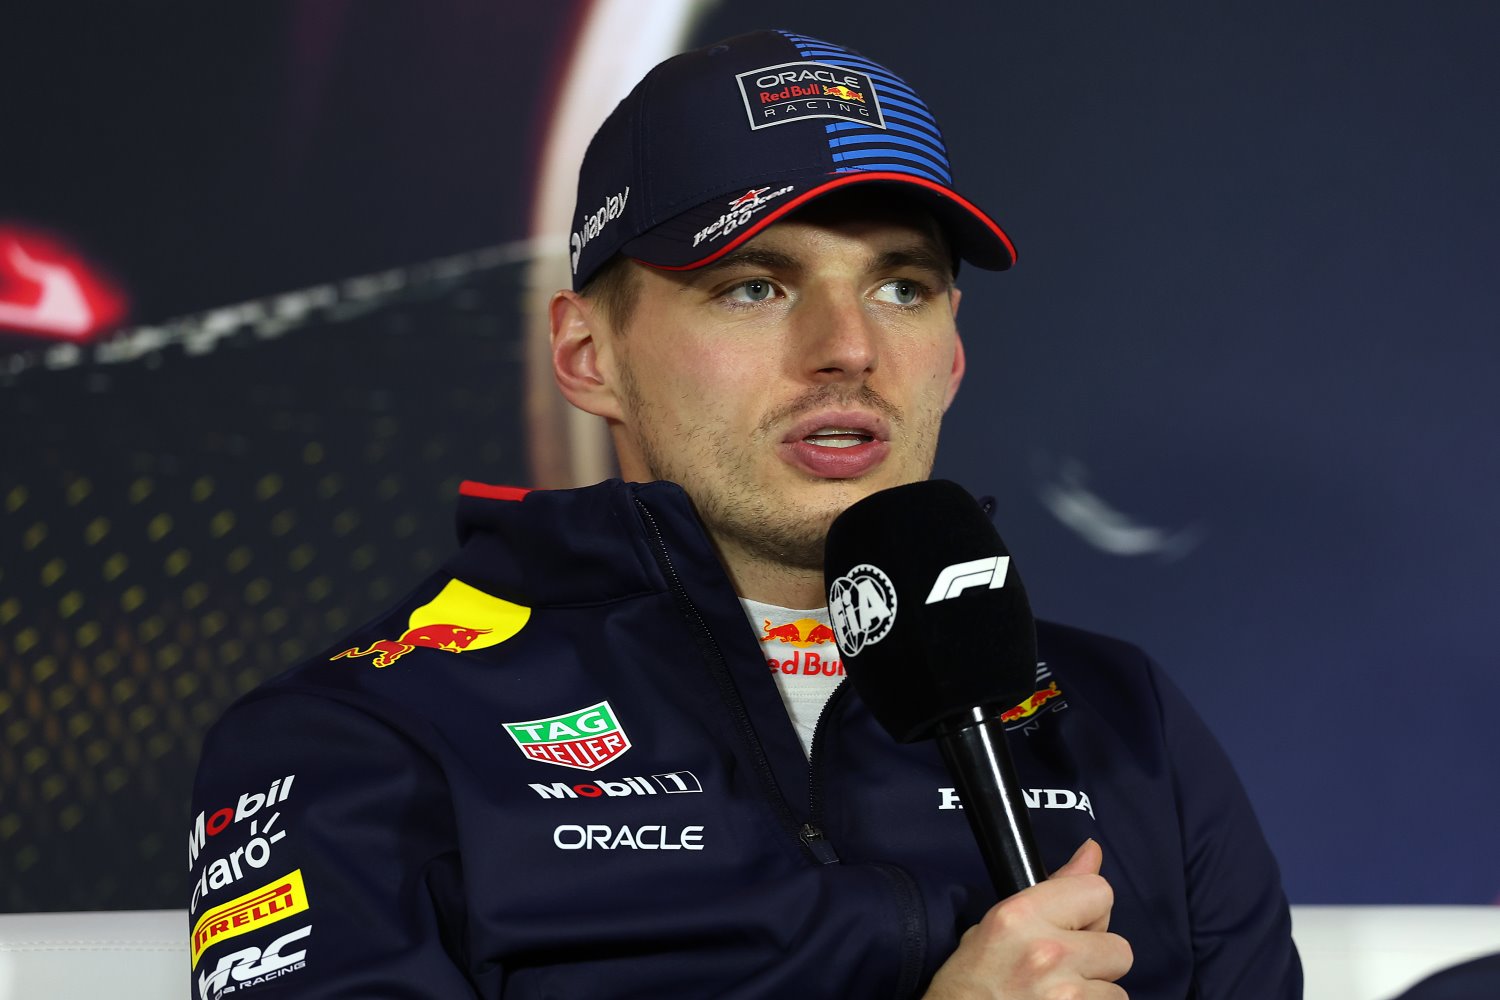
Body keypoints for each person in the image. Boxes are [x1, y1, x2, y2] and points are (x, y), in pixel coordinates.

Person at [188, 30, 1301, 999]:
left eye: (900, 285)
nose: (849, 347)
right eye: (754, 285)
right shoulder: (364, 734)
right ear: (588, 353)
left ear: (953, 353)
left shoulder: (1125, 721)